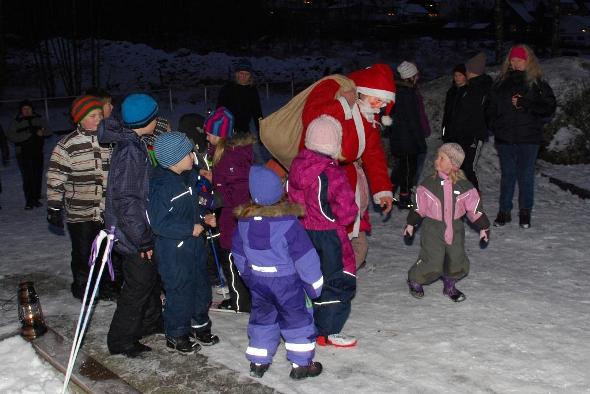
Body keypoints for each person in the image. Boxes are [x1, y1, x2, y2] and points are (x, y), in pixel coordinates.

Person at [232, 165, 324, 380]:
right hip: (286, 283)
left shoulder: (243, 224)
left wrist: (249, 276)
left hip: (259, 282)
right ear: (278, 192)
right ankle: (301, 363)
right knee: (296, 319)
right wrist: (314, 284)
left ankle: (258, 360)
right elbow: (305, 257)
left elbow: (238, 254)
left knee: (263, 319)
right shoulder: (288, 224)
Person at [301, 63, 396, 269]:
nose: (380, 106)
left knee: (356, 247)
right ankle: (328, 283)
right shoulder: (335, 92)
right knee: (329, 244)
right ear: (363, 91)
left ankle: (337, 281)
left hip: (350, 189)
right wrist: (343, 104)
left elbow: (373, 155)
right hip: (322, 184)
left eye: (384, 103)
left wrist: (383, 190)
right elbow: (311, 118)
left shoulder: (368, 117)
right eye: (378, 99)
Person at [99, 93, 163, 357]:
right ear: (146, 121)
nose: (158, 120)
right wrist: (143, 238)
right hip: (132, 234)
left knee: (148, 280)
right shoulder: (129, 152)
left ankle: (150, 322)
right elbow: (126, 200)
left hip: (136, 231)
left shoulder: (134, 144)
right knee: (137, 287)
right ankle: (121, 339)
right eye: (155, 116)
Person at [288, 115, 358, 348]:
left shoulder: (296, 167)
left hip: (302, 232)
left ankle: (306, 322)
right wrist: (346, 217)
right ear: (334, 144)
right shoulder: (332, 173)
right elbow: (346, 210)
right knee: (336, 280)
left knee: (308, 278)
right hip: (328, 234)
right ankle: (327, 330)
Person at [148, 132, 220, 354]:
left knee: (200, 287)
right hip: (174, 251)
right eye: (189, 153)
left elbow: (190, 207)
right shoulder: (161, 186)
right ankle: (176, 333)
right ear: (175, 159)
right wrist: (189, 229)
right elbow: (159, 222)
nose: (193, 156)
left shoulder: (188, 177)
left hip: (195, 246)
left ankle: (200, 326)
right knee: (180, 292)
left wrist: (203, 217)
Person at [46, 95, 119, 301]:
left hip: (107, 209)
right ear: (79, 119)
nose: (98, 119)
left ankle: (106, 285)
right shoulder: (67, 145)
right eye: (92, 116)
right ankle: (83, 286)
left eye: (99, 115)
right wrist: (54, 206)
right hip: (81, 211)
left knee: (107, 251)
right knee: (84, 251)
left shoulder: (110, 140)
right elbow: (55, 177)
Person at [404, 143, 490, 302]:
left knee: (456, 258)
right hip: (433, 228)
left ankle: (449, 284)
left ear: (453, 164)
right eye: (437, 156)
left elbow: (474, 208)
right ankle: (415, 279)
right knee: (433, 259)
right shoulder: (428, 184)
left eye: (441, 158)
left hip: (456, 228)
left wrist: (483, 226)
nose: (437, 160)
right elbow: (419, 206)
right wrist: (411, 223)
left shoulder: (464, 186)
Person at [487, 44, 556, 228]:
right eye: (513, 59)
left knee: (525, 176)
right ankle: (504, 211)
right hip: (505, 138)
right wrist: (495, 125)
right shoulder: (500, 83)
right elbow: (489, 109)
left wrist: (527, 104)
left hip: (529, 138)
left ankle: (525, 212)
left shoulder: (537, 83)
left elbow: (549, 107)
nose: (516, 63)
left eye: (520, 59)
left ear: (528, 61)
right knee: (508, 175)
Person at [204, 106, 255, 312]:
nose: (206, 137)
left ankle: (240, 301)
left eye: (209, 133)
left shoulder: (231, 158)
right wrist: (213, 178)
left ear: (219, 134)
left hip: (233, 219)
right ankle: (243, 298)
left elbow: (237, 192)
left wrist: (213, 200)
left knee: (232, 261)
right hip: (230, 217)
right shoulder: (225, 153)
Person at [442, 53, 493, 191]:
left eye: (461, 74)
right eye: (455, 75)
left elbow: (484, 113)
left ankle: (473, 196)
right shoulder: (454, 92)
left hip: (471, 136)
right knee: (456, 167)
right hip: (457, 135)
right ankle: (460, 194)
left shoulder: (478, 89)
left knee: (468, 168)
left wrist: (481, 131)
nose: (457, 78)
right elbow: (449, 115)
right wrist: (446, 133)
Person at [388, 61, 428, 210]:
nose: (418, 77)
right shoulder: (407, 93)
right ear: (411, 76)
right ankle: (404, 197)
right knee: (408, 168)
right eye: (416, 74)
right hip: (407, 138)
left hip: (399, 137)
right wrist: (420, 142)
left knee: (401, 167)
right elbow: (413, 120)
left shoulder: (397, 91)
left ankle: (389, 192)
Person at [6, 100, 51, 209]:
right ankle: (29, 201)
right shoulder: (16, 122)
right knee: (27, 177)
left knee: (37, 176)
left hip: (37, 152)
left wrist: (42, 132)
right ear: (21, 110)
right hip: (23, 153)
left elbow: (49, 131)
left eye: (28, 108)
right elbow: (11, 136)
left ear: (32, 109)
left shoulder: (39, 119)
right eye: (24, 109)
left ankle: (36, 198)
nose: (26, 111)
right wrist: (29, 134)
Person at [217, 58, 263, 135]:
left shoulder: (252, 91)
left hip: (244, 132)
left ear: (250, 76)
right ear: (236, 73)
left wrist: (261, 132)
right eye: (241, 73)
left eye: (247, 74)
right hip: (227, 130)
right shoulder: (227, 89)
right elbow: (219, 110)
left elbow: (257, 113)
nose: (244, 76)